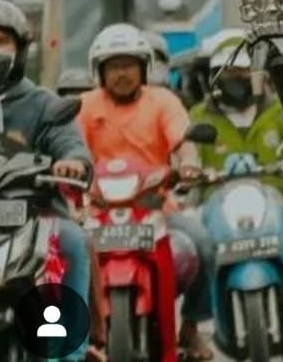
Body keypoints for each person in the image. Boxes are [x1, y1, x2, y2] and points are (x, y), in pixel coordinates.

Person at [76, 23, 215, 361]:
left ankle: (192, 327)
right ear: (100, 72)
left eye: (128, 65)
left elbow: (183, 145)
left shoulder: (163, 101)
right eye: (113, 66)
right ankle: (78, 339)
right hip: (97, 210)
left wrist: (189, 164)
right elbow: (70, 149)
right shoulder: (84, 105)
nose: (121, 74)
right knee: (63, 254)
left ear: (143, 68)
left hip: (156, 205)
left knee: (203, 242)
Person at [0, 0, 96, 362]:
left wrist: (73, 162)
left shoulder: (41, 102)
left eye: (1, 41)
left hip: (36, 215)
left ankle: (67, 350)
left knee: (73, 239)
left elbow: (69, 143)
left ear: (22, 50)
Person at [186, 28, 283, 291]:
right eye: (226, 73)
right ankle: (196, 315)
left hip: (277, 204)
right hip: (215, 209)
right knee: (186, 235)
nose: (235, 79)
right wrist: (189, 170)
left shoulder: (282, 110)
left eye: (242, 72)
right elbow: (186, 158)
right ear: (214, 78)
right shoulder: (197, 116)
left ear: (257, 75)